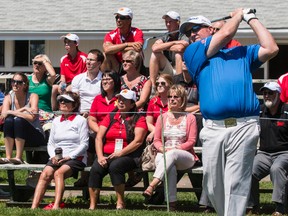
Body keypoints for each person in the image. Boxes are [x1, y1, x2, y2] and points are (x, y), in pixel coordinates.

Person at [180, 8, 279, 216]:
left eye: (196, 29)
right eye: (188, 32)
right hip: (214, 129)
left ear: (209, 29)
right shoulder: (193, 52)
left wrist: (251, 18)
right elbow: (225, 34)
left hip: (244, 126)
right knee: (213, 185)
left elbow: (271, 48)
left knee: (236, 183)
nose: (192, 34)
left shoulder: (242, 53)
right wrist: (239, 15)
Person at [88, 89, 148, 210]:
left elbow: (138, 141)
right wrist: (100, 156)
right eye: (119, 99)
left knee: (116, 166)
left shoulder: (139, 119)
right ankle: (92, 205)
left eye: (124, 100)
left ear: (132, 104)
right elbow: (99, 137)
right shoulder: (110, 116)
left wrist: (120, 153)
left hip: (130, 155)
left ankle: (120, 202)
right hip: (107, 153)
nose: (120, 102)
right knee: (96, 168)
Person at [143, 84, 199, 211]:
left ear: (183, 99)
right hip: (163, 153)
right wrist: (162, 148)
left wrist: (178, 148)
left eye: (176, 97)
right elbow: (156, 140)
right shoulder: (162, 117)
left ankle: (152, 185)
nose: (172, 99)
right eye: (169, 97)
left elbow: (191, 141)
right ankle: (172, 204)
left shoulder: (190, 118)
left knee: (172, 154)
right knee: (171, 168)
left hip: (185, 155)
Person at [31, 91, 89, 210]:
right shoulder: (56, 121)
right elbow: (51, 143)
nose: (62, 102)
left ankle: (56, 205)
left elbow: (84, 144)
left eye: (66, 101)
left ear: (74, 105)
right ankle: (34, 207)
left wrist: (69, 157)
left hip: (75, 157)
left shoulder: (80, 120)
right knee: (45, 174)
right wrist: (53, 156)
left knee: (59, 173)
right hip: (57, 157)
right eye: (61, 100)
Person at [73, 70, 121, 187]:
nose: (105, 81)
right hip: (99, 131)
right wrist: (100, 132)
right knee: (88, 142)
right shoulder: (98, 99)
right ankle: (84, 177)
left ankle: (131, 176)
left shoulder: (120, 99)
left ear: (115, 81)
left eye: (109, 79)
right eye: (103, 79)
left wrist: (106, 132)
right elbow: (91, 119)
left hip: (116, 132)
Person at [248, 82, 288, 216]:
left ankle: (280, 208)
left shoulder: (286, 111)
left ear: (278, 94)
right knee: (250, 170)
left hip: (284, 153)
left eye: (270, 93)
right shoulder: (259, 112)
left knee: (276, 169)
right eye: (264, 93)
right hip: (264, 153)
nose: (267, 96)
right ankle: (253, 207)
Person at [0, 73, 45, 164]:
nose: (15, 84)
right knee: (8, 121)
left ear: (25, 85)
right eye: (13, 81)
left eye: (19, 82)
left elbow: (32, 117)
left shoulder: (33, 96)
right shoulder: (8, 97)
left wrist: (11, 112)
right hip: (15, 137)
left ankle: (18, 157)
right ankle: (8, 157)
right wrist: (24, 109)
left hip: (34, 136)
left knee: (19, 120)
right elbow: (3, 115)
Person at [149, 11, 189, 88]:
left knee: (178, 54)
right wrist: (174, 42)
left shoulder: (184, 35)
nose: (167, 24)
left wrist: (163, 46)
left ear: (178, 22)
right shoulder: (165, 36)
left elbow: (180, 48)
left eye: (170, 22)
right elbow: (154, 48)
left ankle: (178, 86)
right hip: (169, 68)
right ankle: (153, 86)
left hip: (183, 69)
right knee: (155, 54)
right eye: (166, 22)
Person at [102, 7, 144, 73]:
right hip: (117, 65)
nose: (118, 20)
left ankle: (136, 78)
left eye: (122, 18)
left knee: (136, 53)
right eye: (117, 17)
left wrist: (116, 48)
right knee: (105, 54)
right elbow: (107, 49)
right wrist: (127, 44)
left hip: (133, 65)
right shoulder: (111, 34)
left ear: (129, 20)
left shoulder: (137, 32)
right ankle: (106, 78)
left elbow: (138, 48)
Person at [51, 33, 87, 110]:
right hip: (67, 85)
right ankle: (54, 111)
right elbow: (63, 77)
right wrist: (62, 85)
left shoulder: (84, 58)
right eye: (65, 42)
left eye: (69, 42)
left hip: (80, 84)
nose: (66, 44)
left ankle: (68, 109)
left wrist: (70, 86)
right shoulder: (63, 59)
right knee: (54, 88)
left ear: (76, 44)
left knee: (69, 89)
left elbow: (85, 76)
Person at [71, 49, 104, 116]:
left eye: (91, 60)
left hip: (98, 115)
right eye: (87, 59)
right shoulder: (77, 78)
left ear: (99, 63)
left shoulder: (105, 79)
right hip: (80, 115)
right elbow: (74, 100)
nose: (88, 62)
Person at [146, 74, 173, 142]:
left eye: (163, 83)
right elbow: (148, 123)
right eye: (157, 83)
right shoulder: (153, 101)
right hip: (155, 135)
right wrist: (155, 131)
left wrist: (155, 132)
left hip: (171, 134)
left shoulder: (173, 101)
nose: (159, 85)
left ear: (169, 85)